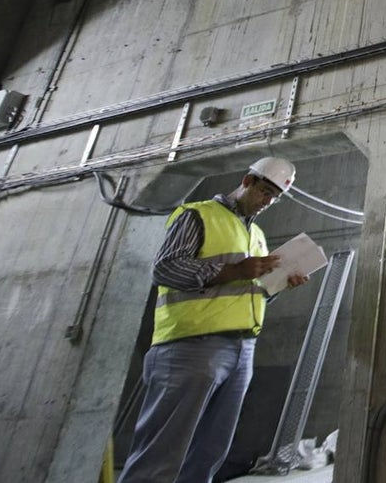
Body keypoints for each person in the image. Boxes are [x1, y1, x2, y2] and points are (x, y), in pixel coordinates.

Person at [118, 156, 309, 483]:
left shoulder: (257, 235)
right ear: (247, 181)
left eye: (274, 198)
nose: (267, 202)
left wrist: (278, 285)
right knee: (161, 454)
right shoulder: (198, 215)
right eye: (265, 192)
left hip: (241, 350)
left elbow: (248, 293)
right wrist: (234, 270)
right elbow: (165, 269)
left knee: (209, 452)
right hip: (190, 348)